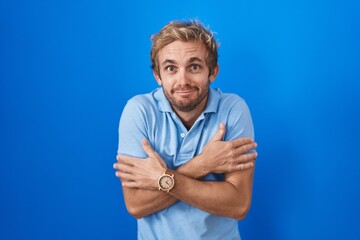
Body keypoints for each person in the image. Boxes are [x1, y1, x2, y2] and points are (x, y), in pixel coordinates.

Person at [113, 20, 258, 240]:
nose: (183, 81)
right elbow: (136, 205)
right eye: (171, 68)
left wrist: (160, 178)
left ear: (213, 71)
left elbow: (238, 205)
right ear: (158, 75)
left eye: (194, 67)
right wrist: (203, 164)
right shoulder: (139, 111)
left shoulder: (233, 110)